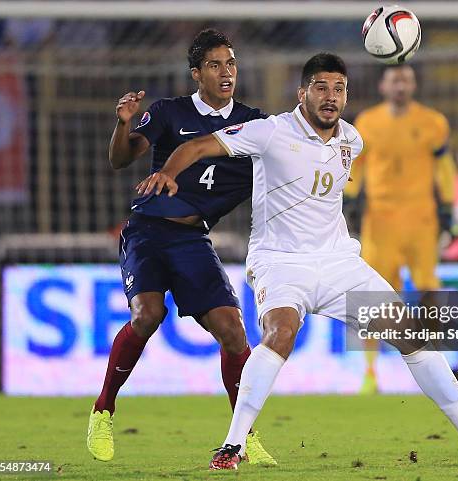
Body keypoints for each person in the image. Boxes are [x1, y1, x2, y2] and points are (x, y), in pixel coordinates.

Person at [136, 53, 458, 470]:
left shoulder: (352, 140)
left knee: (410, 332)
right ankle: (233, 445)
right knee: (281, 332)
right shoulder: (270, 131)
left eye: (339, 88)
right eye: (321, 88)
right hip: (281, 262)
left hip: (338, 264)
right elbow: (198, 144)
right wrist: (168, 173)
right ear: (302, 93)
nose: (331, 97)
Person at [87, 29, 276, 466]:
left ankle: (243, 435)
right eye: (215, 65)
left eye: (230, 63)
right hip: (148, 230)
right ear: (197, 74)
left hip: (193, 238)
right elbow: (120, 159)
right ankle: (103, 410)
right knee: (147, 314)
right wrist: (122, 124)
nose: (226, 72)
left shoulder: (254, 122)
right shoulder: (169, 112)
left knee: (233, 331)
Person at [344, 64, 457, 394]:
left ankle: (434, 367)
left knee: (427, 290)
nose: (401, 85)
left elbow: (444, 167)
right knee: (374, 296)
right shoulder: (367, 122)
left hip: (421, 219)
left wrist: (449, 207)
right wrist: (350, 201)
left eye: (406, 79)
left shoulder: (433, 122)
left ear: (414, 85)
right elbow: (356, 166)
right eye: (395, 79)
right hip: (379, 221)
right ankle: (369, 372)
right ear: (383, 85)